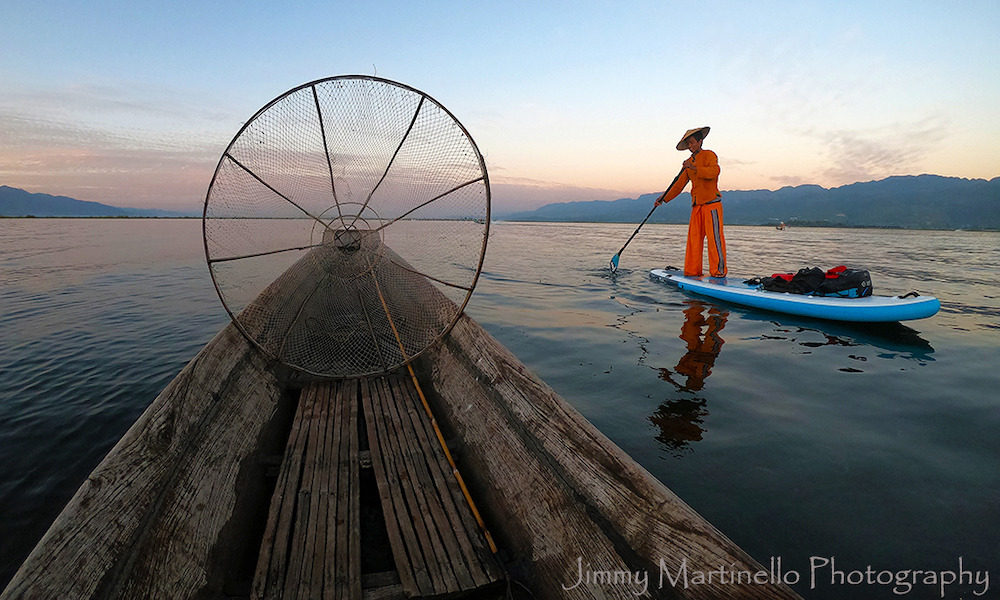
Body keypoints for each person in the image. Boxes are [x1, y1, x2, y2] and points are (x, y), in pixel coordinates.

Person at [654, 126, 727, 278]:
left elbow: (714, 172)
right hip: (697, 206)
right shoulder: (688, 162)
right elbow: (679, 184)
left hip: (711, 204)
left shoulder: (709, 155)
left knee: (715, 239)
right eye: (688, 143)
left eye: (692, 142)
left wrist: (693, 167)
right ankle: (693, 272)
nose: (690, 146)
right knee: (694, 241)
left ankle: (719, 272)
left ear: (700, 141)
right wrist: (663, 198)